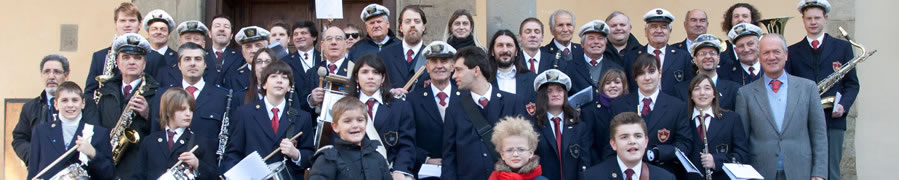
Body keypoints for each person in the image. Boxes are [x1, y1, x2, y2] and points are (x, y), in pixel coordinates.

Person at [734, 34, 827, 180]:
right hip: (760, 172)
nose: (771, 57)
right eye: (766, 52)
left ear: (786, 55)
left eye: (776, 52)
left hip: (801, 171)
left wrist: (819, 173)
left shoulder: (808, 88)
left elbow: (819, 134)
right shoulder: (745, 94)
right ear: (759, 56)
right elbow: (741, 140)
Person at [786, 1, 858, 179]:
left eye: (817, 17)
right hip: (803, 121)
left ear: (825, 18)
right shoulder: (791, 51)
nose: (813, 22)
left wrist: (843, 106)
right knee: (805, 170)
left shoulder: (842, 47)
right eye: (809, 18)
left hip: (833, 120)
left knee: (832, 171)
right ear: (803, 20)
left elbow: (852, 84)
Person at [442, 46, 527, 180]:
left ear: (476, 70)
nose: (454, 76)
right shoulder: (454, 109)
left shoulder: (513, 103)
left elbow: (525, 148)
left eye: (458, 70)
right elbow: (449, 157)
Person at [222, 60, 316, 178]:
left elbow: (309, 156)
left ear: (289, 87)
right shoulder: (244, 113)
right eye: (273, 76)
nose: (279, 81)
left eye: (284, 77)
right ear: (264, 84)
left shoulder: (302, 117)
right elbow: (233, 154)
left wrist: (296, 154)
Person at [610, 53, 692, 177]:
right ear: (635, 77)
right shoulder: (619, 105)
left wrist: (657, 153)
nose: (647, 78)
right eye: (641, 73)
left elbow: (684, 143)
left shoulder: (677, 106)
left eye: (651, 71)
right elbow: (610, 141)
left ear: (660, 73)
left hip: (663, 172)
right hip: (626, 173)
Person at [94, 33, 162, 178]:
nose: (132, 62)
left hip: (138, 168)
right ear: (117, 62)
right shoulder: (103, 92)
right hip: (107, 165)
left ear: (144, 64)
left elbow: (163, 134)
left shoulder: (158, 93)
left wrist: (148, 115)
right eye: (126, 57)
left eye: (137, 58)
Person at [14, 55, 97, 166]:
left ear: (66, 75)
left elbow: (94, 135)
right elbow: (19, 139)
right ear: (41, 75)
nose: (51, 76)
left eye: (57, 72)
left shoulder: (86, 103)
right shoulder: (30, 107)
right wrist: (34, 157)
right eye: (47, 72)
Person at [344, 54, 417, 179]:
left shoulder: (400, 107)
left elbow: (407, 145)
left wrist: (400, 170)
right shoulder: (344, 106)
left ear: (383, 78)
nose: (370, 77)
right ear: (356, 77)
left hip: (389, 171)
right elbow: (339, 144)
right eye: (365, 72)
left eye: (376, 72)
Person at [149, 43, 231, 148]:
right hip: (170, 161)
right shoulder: (163, 94)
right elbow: (155, 133)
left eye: (197, 59)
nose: (192, 63)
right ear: (179, 65)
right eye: (187, 59)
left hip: (207, 161)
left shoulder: (223, 96)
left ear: (205, 64)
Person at [27, 82, 115, 180]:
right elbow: (33, 173)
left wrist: (93, 153)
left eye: (75, 100)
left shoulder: (98, 133)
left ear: (83, 103)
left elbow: (109, 175)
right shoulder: (41, 132)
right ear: (56, 104)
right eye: (64, 100)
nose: (70, 105)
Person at [134, 88, 217, 179]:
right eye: (182, 109)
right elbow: (138, 175)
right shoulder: (149, 141)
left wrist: (197, 164)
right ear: (168, 111)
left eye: (191, 110)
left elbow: (214, 176)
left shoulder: (200, 141)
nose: (188, 114)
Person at [85, 2, 165, 95]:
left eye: (132, 20)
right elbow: (89, 93)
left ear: (139, 24)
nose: (127, 25)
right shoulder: (99, 57)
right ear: (115, 24)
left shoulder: (156, 58)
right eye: (122, 21)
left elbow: (161, 92)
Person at [406, 41, 458, 176]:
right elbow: (406, 137)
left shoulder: (466, 97)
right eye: (434, 61)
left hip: (460, 170)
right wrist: (426, 158)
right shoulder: (413, 100)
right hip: (426, 172)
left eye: (444, 61)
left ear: (453, 66)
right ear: (427, 67)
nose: (439, 66)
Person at [530, 69, 592, 180]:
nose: (555, 94)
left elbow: (585, 161)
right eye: (549, 91)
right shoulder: (533, 126)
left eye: (559, 90)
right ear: (542, 95)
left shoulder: (579, 126)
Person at [308, 97, 392, 180]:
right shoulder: (328, 159)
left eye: (360, 120)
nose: (355, 125)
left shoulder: (378, 158)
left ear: (366, 123)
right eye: (347, 121)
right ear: (335, 126)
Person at [684, 74, 749, 180]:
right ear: (691, 95)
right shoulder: (683, 121)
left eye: (707, 88)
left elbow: (742, 155)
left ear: (714, 93)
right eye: (697, 89)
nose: (702, 93)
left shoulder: (732, 119)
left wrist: (716, 161)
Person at [623, 8, 694, 96]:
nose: (659, 31)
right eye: (653, 26)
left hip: (674, 108)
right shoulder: (632, 57)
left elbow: (688, 88)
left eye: (663, 27)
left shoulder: (682, 57)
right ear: (646, 31)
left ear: (670, 31)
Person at [583, 112, 675, 180]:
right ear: (613, 144)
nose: (632, 141)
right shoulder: (592, 177)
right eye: (624, 137)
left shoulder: (665, 177)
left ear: (646, 141)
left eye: (638, 136)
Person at [673, 34, 741, 111]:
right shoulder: (681, 90)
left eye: (712, 53)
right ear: (695, 59)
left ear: (718, 58)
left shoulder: (734, 89)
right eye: (703, 53)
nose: (708, 57)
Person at [561, 20, 623, 93]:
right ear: (582, 44)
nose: (596, 42)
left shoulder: (617, 69)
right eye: (591, 38)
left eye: (600, 38)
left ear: (605, 43)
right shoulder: (568, 68)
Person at [582, 69, 628, 163]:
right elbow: (588, 143)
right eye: (608, 83)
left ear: (624, 85)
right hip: (599, 162)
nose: (612, 86)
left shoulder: (632, 106)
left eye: (617, 82)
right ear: (602, 86)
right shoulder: (591, 110)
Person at [157, 21, 219, 88]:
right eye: (188, 38)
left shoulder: (213, 70)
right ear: (180, 42)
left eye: (196, 39)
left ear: (203, 44)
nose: (191, 42)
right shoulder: (165, 69)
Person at [380, 5, 428, 90]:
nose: (412, 25)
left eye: (417, 21)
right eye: (407, 21)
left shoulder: (431, 57)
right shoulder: (384, 55)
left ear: (423, 27)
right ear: (401, 27)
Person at [489, 30, 537, 101]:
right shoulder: (484, 80)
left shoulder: (532, 80)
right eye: (500, 45)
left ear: (516, 51)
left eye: (509, 45)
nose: (505, 50)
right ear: (492, 51)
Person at [718, 3, 762, 75]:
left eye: (745, 16)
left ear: (752, 20)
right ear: (730, 21)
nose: (740, 19)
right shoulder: (722, 52)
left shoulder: (764, 48)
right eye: (736, 16)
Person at [221, 26, 270, 91]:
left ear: (267, 49)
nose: (253, 50)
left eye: (258, 45)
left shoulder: (278, 74)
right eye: (248, 46)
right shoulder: (232, 78)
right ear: (243, 52)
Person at [208, 15, 242, 80]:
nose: (222, 29)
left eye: (226, 27)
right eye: (217, 26)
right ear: (209, 33)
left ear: (231, 35)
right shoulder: (201, 56)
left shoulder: (241, 57)